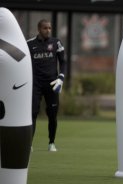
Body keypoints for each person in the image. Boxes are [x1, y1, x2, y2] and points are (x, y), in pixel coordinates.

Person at [27, 19, 66, 152]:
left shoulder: (56, 43)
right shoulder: (29, 44)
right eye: (45, 28)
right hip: (35, 84)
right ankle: (29, 144)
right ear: (39, 29)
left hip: (52, 84)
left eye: (49, 28)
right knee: (32, 113)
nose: (48, 30)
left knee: (52, 114)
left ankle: (51, 143)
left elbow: (63, 62)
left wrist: (61, 77)